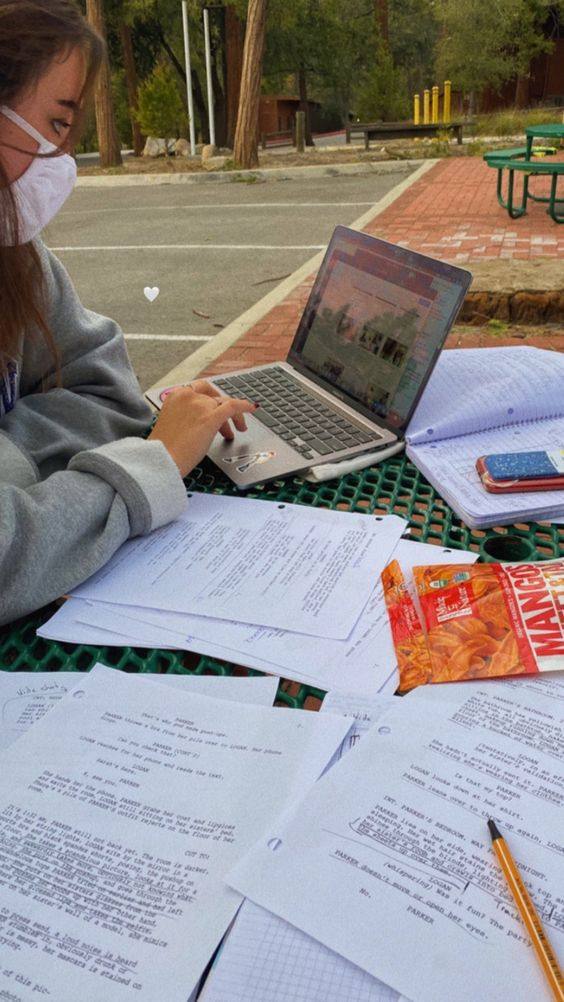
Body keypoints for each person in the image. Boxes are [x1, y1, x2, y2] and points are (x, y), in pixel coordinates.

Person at [0, 0, 255, 627]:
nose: (61, 161)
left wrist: (12, 461)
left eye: (70, 135)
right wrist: (155, 462)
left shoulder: (17, 256)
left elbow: (104, 385)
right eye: (55, 125)